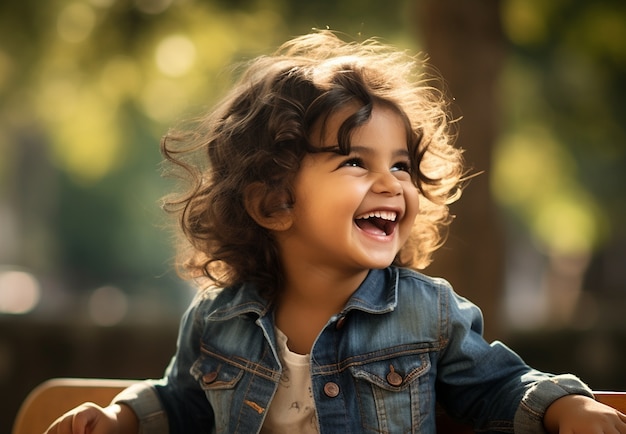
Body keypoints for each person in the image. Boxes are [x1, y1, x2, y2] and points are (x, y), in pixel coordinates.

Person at [45, 30, 626, 434]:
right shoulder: (217, 320)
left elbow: (499, 386)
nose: (390, 183)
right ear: (274, 201)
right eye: (355, 162)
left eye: (400, 165)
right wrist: (122, 417)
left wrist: (563, 405)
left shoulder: (428, 314)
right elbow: (182, 403)